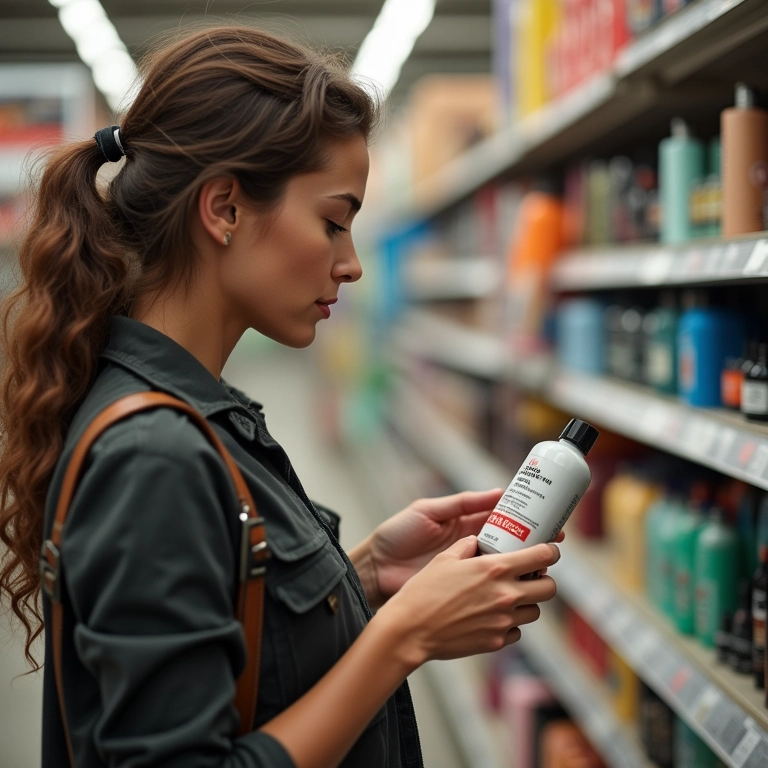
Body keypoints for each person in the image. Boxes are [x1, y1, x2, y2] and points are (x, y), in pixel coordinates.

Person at [0, 25, 560, 768]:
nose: (351, 264)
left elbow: (233, 636)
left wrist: (357, 578)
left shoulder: (194, 414)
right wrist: (402, 640)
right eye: (332, 223)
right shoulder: (155, 457)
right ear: (224, 209)